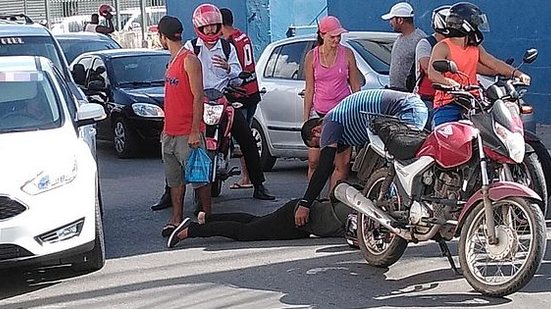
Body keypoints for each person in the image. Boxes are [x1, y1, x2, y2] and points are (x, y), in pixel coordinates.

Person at [295, 89, 428, 225]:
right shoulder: (343, 128)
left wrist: (305, 203)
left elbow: (324, 167)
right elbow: (340, 170)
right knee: (390, 165)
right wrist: (332, 206)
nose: (322, 146)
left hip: (406, 109)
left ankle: (408, 209)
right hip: (408, 107)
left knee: (401, 165)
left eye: (318, 144)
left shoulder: (330, 123)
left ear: (316, 131)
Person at [428, 2, 531, 127]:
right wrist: (452, 84)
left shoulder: (475, 47)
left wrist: (517, 74)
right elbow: (432, 74)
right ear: (466, 26)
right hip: (449, 103)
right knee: (445, 137)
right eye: (476, 24)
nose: (478, 28)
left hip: (474, 101)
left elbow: (494, 63)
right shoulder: (443, 47)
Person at [157, 15, 212, 238]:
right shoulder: (172, 61)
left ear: (162, 37)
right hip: (170, 131)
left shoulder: (189, 60)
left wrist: (194, 129)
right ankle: (176, 218)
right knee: (175, 180)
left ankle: (207, 215)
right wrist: (165, 126)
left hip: (188, 132)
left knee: (199, 176)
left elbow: (198, 96)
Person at [303, 15, 362, 188]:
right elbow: (309, 89)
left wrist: (356, 115)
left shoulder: (347, 54)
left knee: (341, 164)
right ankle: (312, 200)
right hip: (320, 115)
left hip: (342, 115)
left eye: (339, 36)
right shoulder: (312, 56)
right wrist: (306, 119)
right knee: (314, 161)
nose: (336, 40)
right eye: (332, 36)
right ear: (322, 35)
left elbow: (355, 86)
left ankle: (331, 203)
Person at [167, 197, 353, 248]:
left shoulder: (356, 204)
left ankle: (207, 219)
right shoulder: (360, 217)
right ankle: (190, 230)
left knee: (255, 223)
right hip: (299, 218)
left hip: (301, 217)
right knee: (245, 233)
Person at [220, 8, 262, 190]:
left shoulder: (228, 43)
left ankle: (247, 177)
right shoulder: (243, 37)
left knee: (242, 138)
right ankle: (250, 176)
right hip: (253, 91)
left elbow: (234, 70)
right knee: (248, 135)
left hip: (240, 93)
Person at [413, 5, 451, 128]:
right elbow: (426, 67)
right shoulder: (426, 44)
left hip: (450, 98)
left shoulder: (456, 45)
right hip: (428, 99)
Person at [381, 2, 426, 91]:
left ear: (400, 20)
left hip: (409, 94)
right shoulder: (399, 38)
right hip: (396, 92)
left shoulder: (420, 39)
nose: (390, 23)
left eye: (392, 19)